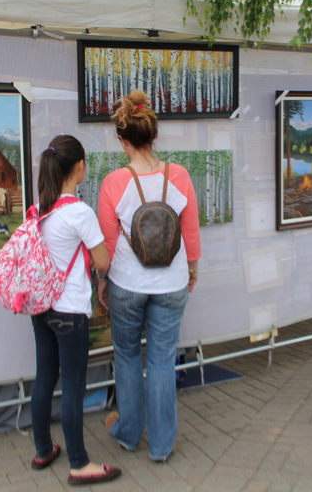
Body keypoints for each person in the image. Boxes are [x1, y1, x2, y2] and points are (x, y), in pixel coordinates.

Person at [97, 89, 201, 462]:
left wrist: (102, 281)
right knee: (161, 359)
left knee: (126, 355)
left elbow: (108, 246)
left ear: (123, 140)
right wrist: (191, 270)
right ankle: (161, 445)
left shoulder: (113, 183)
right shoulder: (180, 175)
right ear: (153, 135)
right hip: (172, 283)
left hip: (127, 283)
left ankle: (128, 433)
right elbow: (190, 232)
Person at [28, 135, 121, 485]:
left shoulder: (41, 209)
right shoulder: (79, 212)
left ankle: (43, 450)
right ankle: (79, 464)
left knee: (44, 380)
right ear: (80, 167)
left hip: (41, 309)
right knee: (72, 387)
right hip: (69, 313)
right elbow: (103, 261)